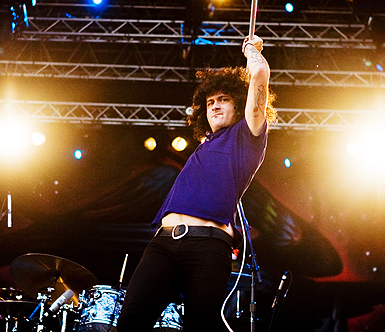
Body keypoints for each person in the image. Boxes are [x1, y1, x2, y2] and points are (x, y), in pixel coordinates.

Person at [116, 35, 276, 332]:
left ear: (239, 104)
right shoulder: (204, 145)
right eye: (210, 102)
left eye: (223, 99)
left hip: (208, 246)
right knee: (130, 321)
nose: (214, 106)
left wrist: (252, 52)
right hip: (163, 243)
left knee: (200, 326)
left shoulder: (246, 138)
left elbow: (260, 75)